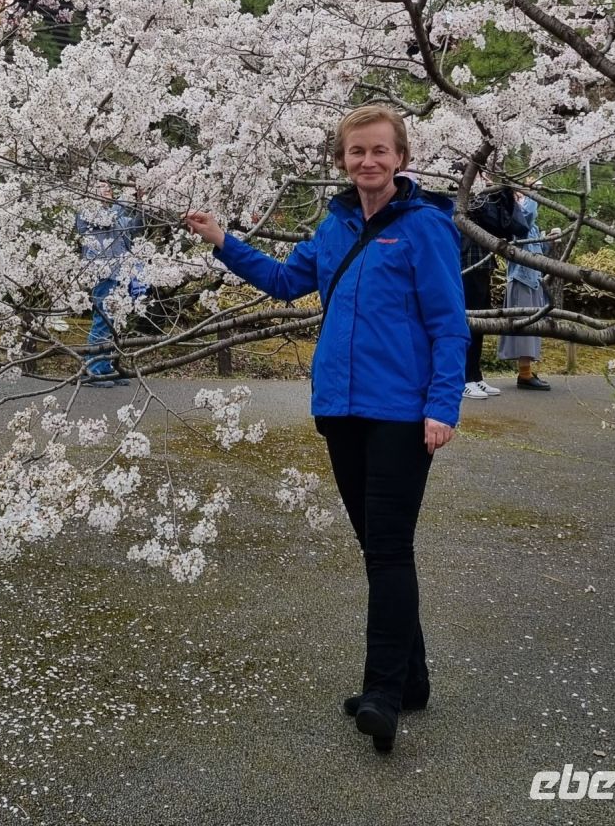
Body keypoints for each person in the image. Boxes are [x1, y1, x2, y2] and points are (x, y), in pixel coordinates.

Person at [185, 104, 468, 755]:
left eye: (379, 151)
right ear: (343, 160)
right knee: (378, 549)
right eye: (356, 152)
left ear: (401, 158)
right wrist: (223, 241)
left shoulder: (426, 229)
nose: (367, 162)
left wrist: (442, 407)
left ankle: (383, 693)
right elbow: (286, 282)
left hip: (401, 415)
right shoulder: (336, 227)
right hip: (340, 413)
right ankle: (413, 679)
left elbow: (449, 324)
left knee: (390, 551)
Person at [458, 177, 528, 401]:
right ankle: (464, 378)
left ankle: (474, 374)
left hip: (483, 257)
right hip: (465, 259)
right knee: (468, 320)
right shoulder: (458, 183)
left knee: (480, 320)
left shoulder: (484, 181)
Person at [74, 184, 145, 386]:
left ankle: (107, 367)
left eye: (108, 187)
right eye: (100, 187)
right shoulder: (87, 212)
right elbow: (106, 220)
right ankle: (93, 370)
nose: (106, 190)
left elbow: (136, 227)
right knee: (102, 321)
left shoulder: (118, 213)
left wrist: (140, 203)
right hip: (101, 272)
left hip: (121, 273)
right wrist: (127, 197)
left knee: (114, 322)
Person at [497, 191, 555, 390]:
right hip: (522, 279)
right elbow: (528, 215)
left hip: (532, 279)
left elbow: (537, 249)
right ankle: (525, 374)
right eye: (519, 194)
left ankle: (526, 372)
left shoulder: (528, 224)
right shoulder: (515, 219)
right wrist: (533, 193)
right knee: (525, 329)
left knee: (532, 327)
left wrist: (549, 240)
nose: (523, 197)